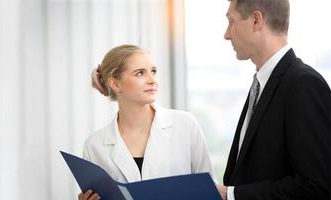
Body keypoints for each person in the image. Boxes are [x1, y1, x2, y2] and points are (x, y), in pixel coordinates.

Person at [216, 0, 331, 199]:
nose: (226, 34)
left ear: (256, 20)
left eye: (231, 22)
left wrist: (231, 195)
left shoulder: (303, 84)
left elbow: (317, 186)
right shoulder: (262, 84)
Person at [78, 44, 215, 200]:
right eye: (140, 73)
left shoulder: (185, 125)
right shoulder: (94, 145)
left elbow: (209, 190)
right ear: (115, 84)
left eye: (153, 72)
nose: (152, 80)